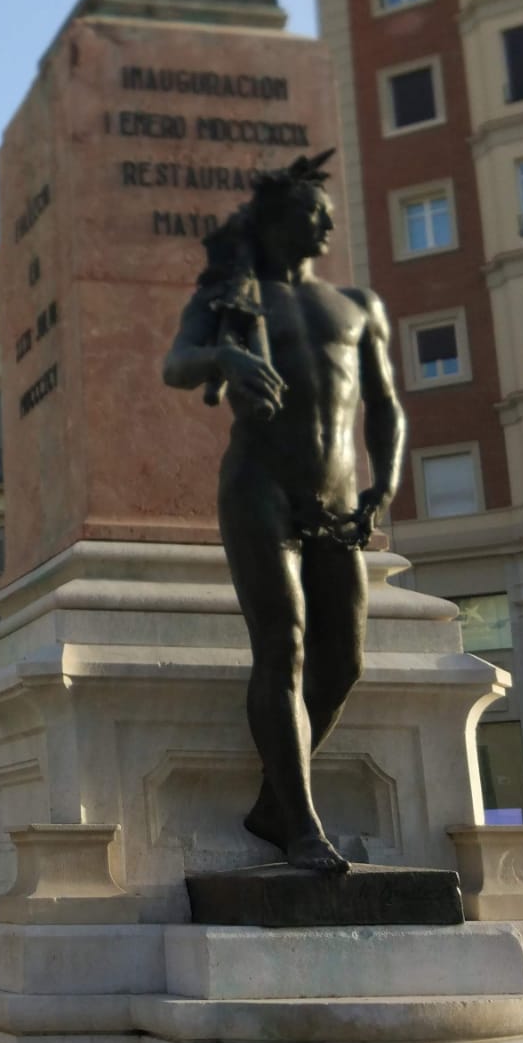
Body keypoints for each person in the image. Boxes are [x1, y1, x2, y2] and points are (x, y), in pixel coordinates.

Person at [163, 151, 405, 873]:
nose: (327, 224)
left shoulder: (358, 305)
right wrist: (226, 359)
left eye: (327, 214)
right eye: (312, 212)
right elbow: (176, 364)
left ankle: (274, 801)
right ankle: (303, 828)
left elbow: (385, 405)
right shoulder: (232, 299)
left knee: (346, 662)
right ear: (275, 220)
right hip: (259, 485)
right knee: (283, 645)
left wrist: (385, 484)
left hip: (339, 495)